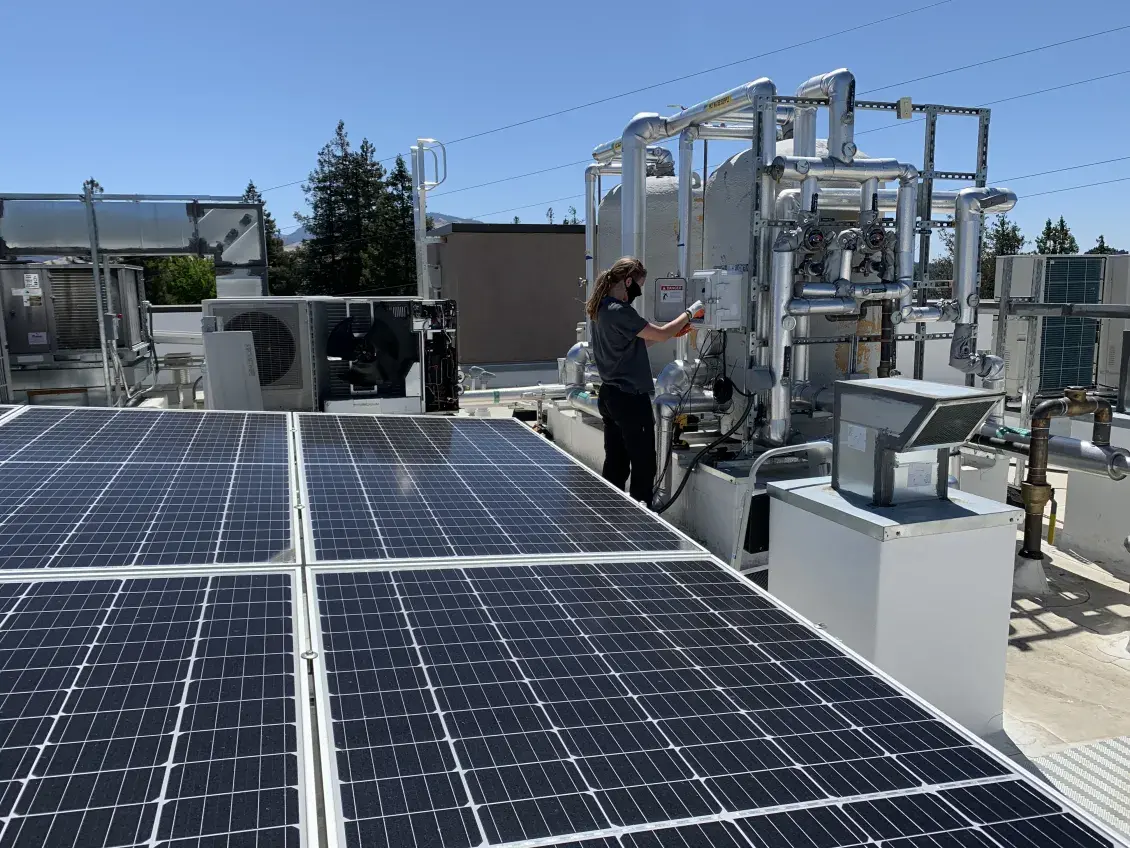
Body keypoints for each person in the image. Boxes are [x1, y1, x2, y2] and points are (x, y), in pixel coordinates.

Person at [586, 256, 704, 507]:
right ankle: (641, 520)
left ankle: (610, 514)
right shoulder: (621, 310)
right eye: (639, 285)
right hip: (630, 399)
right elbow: (659, 334)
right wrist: (691, 311)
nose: (639, 291)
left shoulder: (602, 308)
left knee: (616, 463)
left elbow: (639, 342)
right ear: (628, 281)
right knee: (643, 465)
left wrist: (673, 333)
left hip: (610, 396)